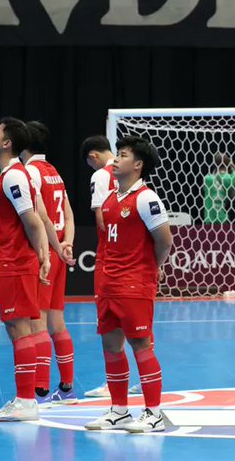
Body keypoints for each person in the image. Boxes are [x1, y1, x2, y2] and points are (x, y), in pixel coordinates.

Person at [85, 136, 174, 433]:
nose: (115, 160)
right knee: (111, 346)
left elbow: (164, 241)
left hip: (135, 283)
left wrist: (148, 269)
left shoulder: (147, 198)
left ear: (137, 165)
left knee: (141, 345)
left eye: (121, 155)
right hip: (109, 284)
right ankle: (119, 411)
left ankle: (154, 413)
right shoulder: (110, 199)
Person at [0, 117, 52, 422]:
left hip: (16, 262)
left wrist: (44, 257)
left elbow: (33, 219)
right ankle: (25, 398)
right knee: (16, 330)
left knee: (19, 328)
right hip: (11, 262)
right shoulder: (9, 176)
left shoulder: (13, 177)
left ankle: (26, 401)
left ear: (8, 143)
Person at [22, 121, 78, 405]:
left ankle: (40, 390)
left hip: (43, 253)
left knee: (38, 323)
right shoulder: (54, 172)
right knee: (57, 320)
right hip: (57, 251)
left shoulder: (29, 172)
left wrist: (49, 249)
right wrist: (66, 244)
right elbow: (68, 215)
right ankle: (67, 388)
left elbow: (41, 218)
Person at [80, 135, 140, 399]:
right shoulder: (131, 178)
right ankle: (140, 379)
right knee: (138, 322)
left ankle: (114, 383)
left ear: (93, 157)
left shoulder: (100, 176)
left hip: (111, 257)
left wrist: (108, 250)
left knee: (111, 324)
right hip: (133, 257)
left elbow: (101, 217)